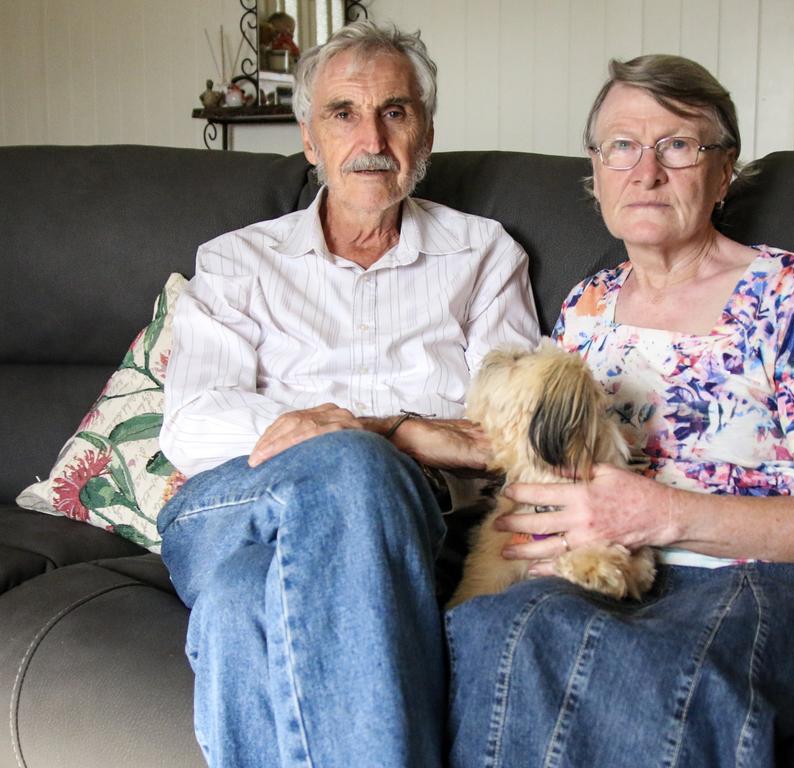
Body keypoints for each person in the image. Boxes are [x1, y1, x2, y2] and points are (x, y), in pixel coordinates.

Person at [445, 55, 794, 767]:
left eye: (679, 145)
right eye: (621, 146)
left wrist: (661, 513)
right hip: (608, 572)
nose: (646, 170)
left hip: (770, 578)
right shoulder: (585, 307)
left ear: (725, 173)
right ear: (595, 173)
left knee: (653, 673)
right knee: (494, 631)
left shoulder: (792, 294)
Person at [157, 21, 538, 768]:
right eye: (343, 112)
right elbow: (193, 423)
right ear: (309, 139)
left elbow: (506, 438)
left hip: (409, 526)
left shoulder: (484, 255)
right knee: (355, 464)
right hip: (234, 507)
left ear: (425, 134)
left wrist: (372, 435)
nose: (372, 135)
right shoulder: (237, 262)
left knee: (240, 605)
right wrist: (384, 434)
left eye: (395, 111)